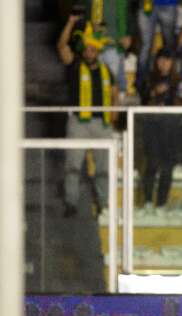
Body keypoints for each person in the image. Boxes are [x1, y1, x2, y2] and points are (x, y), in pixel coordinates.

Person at [57, 15, 119, 218]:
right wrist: (71, 23)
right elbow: (62, 46)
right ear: (83, 48)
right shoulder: (75, 65)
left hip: (102, 123)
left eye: (93, 49)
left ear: (98, 51)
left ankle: (103, 202)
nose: (90, 51)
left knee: (104, 167)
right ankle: (71, 202)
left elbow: (115, 90)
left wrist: (115, 110)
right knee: (73, 165)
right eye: (87, 48)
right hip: (79, 123)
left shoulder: (106, 70)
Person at [140, 48, 182, 212]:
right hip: (153, 129)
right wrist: (154, 92)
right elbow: (143, 97)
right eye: (161, 59)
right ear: (157, 62)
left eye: (167, 60)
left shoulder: (178, 79)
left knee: (167, 167)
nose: (164, 63)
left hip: (172, 130)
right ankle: (148, 202)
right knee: (152, 165)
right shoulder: (149, 78)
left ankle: (161, 204)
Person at [137, 0, 179, 82]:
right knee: (145, 46)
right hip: (146, 4)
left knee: (169, 45)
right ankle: (142, 83)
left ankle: (171, 82)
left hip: (168, 4)